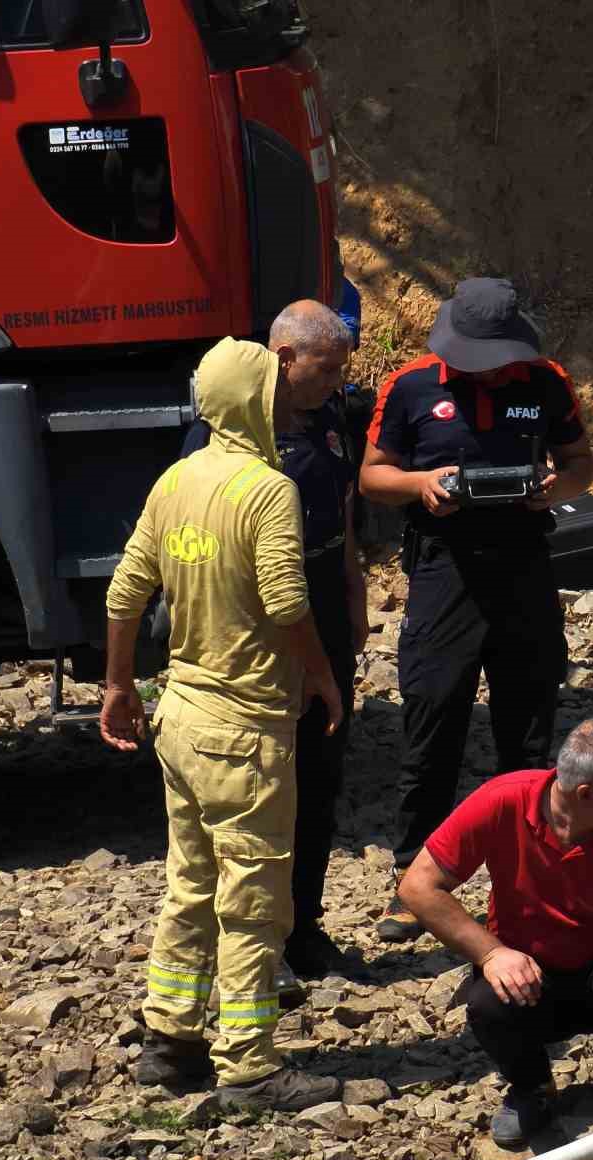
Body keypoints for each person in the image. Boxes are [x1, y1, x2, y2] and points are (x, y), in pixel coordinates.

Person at [100, 302, 351, 1114]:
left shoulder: (176, 480)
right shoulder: (266, 489)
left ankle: (169, 1041)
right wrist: (320, 673)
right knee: (254, 899)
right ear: (251, 399)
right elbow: (287, 600)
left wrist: (115, 686)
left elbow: (125, 590)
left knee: (188, 882)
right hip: (244, 728)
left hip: (179, 719)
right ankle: (248, 1062)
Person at [358, 277, 593, 943]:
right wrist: (421, 485)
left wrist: (557, 488)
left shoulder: (546, 381)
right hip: (444, 569)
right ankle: (414, 881)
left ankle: (525, 884)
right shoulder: (410, 386)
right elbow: (372, 476)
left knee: (527, 729)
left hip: (524, 564)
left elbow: (581, 462)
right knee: (433, 723)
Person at [396, 717, 593, 1148]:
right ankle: (532, 1087)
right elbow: (417, 886)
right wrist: (491, 954)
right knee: (488, 1000)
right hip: (532, 979)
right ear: (586, 795)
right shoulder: (502, 802)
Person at [180, 293, 369, 981]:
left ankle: (304, 925)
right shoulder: (223, 430)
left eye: (340, 373)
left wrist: (353, 599)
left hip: (319, 596)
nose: (334, 385)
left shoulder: (332, 420)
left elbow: (344, 512)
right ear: (284, 358)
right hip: (255, 617)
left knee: (321, 772)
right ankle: (254, 942)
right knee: (261, 785)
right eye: (324, 372)